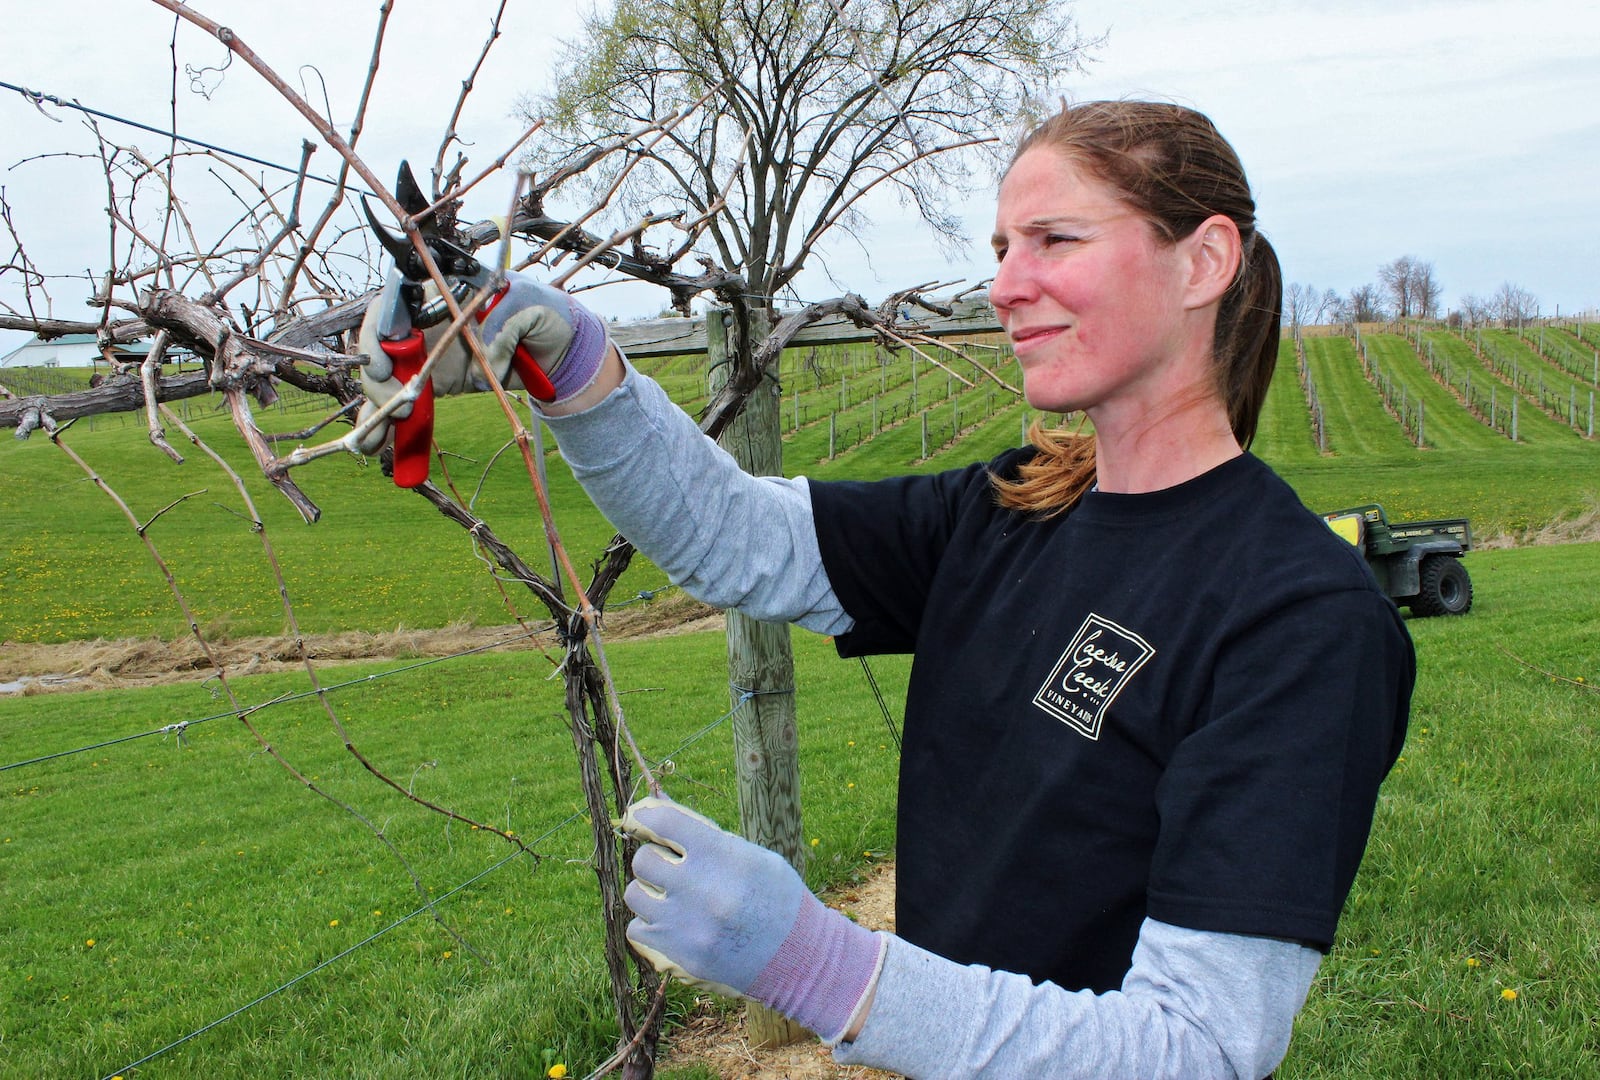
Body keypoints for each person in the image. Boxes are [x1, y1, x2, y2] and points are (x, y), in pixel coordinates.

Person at [360, 99, 1414, 1079]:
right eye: (1001, 250)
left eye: (1054, 241)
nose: (1004, 285)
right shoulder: (1013, 506)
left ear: (1203, 260)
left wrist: (824, 968)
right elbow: (734, 540)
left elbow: (1199, 1050)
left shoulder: (1297, 618)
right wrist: (577, 364)